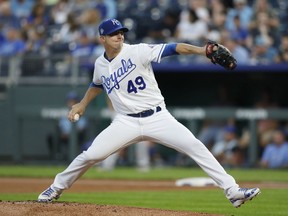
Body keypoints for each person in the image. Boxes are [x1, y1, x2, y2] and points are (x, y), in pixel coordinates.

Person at [38, 18, 260, 208]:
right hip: (125, 122)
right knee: (91, 155)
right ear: (102, 38)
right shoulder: (100, 64)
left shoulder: (138, 51)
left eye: (121, 32)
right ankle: (55, 188)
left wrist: (202, 50)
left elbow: (174, 47)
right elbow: (97, 84)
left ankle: (233, 191)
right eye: (113, 34)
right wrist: (82, 104)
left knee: (195, 146)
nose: (119, 36)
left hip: (158, 117)